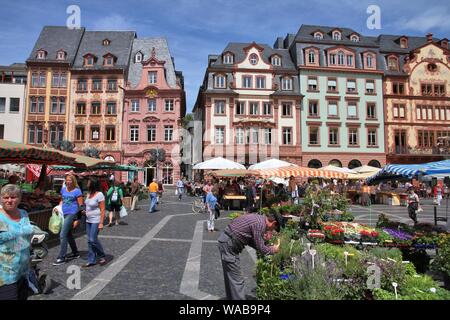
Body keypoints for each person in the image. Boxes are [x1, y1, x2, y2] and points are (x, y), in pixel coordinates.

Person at [217, 209, 282, 300]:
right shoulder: (260, 224)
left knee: (231, 278)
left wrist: (266, 244)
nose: (272, 230)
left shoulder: (259, 219)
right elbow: (262, 249)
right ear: (274, 223)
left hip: (226, 242)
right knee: (237, 280)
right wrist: (273, 249)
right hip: (229, 244)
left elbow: (252, 241)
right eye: (274, 228)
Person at [0, 184, 33, 300]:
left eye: (13, 197)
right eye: (6, 197)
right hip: (5, 275)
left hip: (22, 271)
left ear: (19, 198)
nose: (9, 200)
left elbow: (26, 238)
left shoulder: (23, 214)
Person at [53, 174, 83, 266]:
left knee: (62, 234)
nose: (68, 181)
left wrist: (78, 219)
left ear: (73, 181)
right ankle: (75, 253)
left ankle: (62, 257)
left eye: (70, 180)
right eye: (67, 180)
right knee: (68, 234)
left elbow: (81, 206)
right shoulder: (63, 189)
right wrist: (58, 208)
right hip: (63, 213)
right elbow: (62, 200)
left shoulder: (77, 191)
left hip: (72, 213)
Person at [83, 177, 107, 267]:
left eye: (88, 182)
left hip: (96, 220)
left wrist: (101, 223)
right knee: (89, 241)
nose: (87, 183)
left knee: (92, 239)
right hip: (88, 219)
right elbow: (88, 205)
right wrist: (85, 211)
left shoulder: (99, 194)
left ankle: (102, 255)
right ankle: (91, 260)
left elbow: (103, 209)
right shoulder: (89, 194)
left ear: (92, 184)